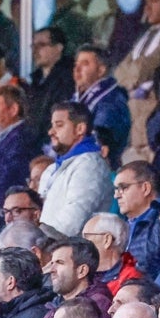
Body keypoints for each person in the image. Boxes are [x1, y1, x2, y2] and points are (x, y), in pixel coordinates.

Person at [39, 101, 113, 237]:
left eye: (59, 125)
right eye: (52, 125)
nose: (51, 132)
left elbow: (72, 220)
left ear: (80, 129)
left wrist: (42, 243)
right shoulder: (54, 167)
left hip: (72, 253)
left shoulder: (90, 165)